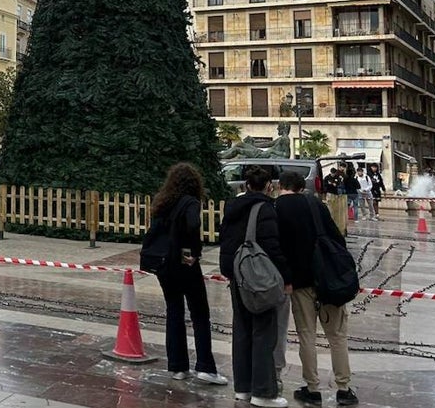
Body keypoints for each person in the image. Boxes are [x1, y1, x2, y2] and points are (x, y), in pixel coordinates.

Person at [275, 169, 358, 405]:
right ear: (302, 187)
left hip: (299, 283)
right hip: (328, 281)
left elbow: (278, 248)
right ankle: (343, 388)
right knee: (337, 336)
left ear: (281, 185)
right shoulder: (315, 205)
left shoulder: (277, 209)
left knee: (307, 336)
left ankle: (312, 388)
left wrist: (287, 278)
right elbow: (337, 238)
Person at [148, 162, 227, 386]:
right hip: (184, 263)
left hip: (165, 265)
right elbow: (192, 225)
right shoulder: (190, 202)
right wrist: (194, 252)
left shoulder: (163, 202)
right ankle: (205, 367)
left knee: (174, 311)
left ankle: (178, 366)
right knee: (200, 313)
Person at [219, 165, 291, 408]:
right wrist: (286, 278)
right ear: (269, 186)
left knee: (241, 332)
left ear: (246, 185)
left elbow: (226, 243)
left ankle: (243, 388)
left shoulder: (231, 208)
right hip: (258, 280)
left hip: (237, 277)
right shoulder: (266, 209)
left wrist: (229, 271)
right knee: (263, 333)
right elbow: (272, 246)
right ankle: (263, 392)